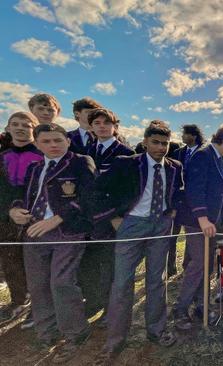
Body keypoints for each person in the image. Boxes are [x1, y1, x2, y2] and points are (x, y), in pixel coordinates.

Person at [93, 121, 184, 364]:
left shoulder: (175, 167)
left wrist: (173, 209)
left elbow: (178, 192)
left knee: (157, 280)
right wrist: (113, 218)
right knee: (122, 282)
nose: (161, 147)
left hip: (161, 225)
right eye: (155, 142)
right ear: (145, 142)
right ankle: (115, 340)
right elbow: (99, 190)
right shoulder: (127, 163)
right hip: (131, 224)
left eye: (165, 143)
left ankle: (156, 330)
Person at [9, 123, 95, 363]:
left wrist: (57, 219)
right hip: (34, 231)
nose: (53, 145)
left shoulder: (80, 162)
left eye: (58, 140)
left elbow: (90, 197)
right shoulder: (34, 167)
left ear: (67, 141)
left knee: (62, 283)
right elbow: (23, 194)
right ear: (36, 144)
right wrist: (16, 209)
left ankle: (76, 333)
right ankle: (46, 332)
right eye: (46, 141)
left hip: (67, 232)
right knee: (37, 284)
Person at [173, 125, 223, 329]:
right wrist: (202, 218)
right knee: (199, 264)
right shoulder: (203, 155)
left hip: (211, 223)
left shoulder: (217, 159)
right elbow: (195, 188)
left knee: (208, 265)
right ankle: (180, 309)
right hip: (198, 223)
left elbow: (221, 193)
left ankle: (201, 305)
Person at [79, 108, 135, 320]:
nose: (102, 126)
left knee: (110, 265)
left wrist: (115, 216)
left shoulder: (127, 154)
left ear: (115, 126)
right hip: (88, 218)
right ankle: (94, 301)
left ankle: (110, 307)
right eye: (97, 123)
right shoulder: (84, 152)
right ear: (92, 127)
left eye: (106, 122)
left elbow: (129, 191)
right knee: (89, 262)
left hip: (113, 218)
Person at [0, 112, 42, 327]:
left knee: (36, 264)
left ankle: (39, 306)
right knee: (10, 261)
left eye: (26, 125)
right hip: (6, 218)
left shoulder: (43, 154)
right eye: (15, 124)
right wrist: (9, 211)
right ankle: (19, 300)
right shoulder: (3, 155)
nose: (20, 128)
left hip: (37, 217)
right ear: (7, 128)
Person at [167, 124, 205, 276]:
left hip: (195, 201)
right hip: (178, 200)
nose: (182, 137)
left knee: (192, 237)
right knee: (172, 235)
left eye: (185, 134)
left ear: (193, 136)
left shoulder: (204, 152)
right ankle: (170, 267)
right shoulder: (177, 153)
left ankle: (188, 266)